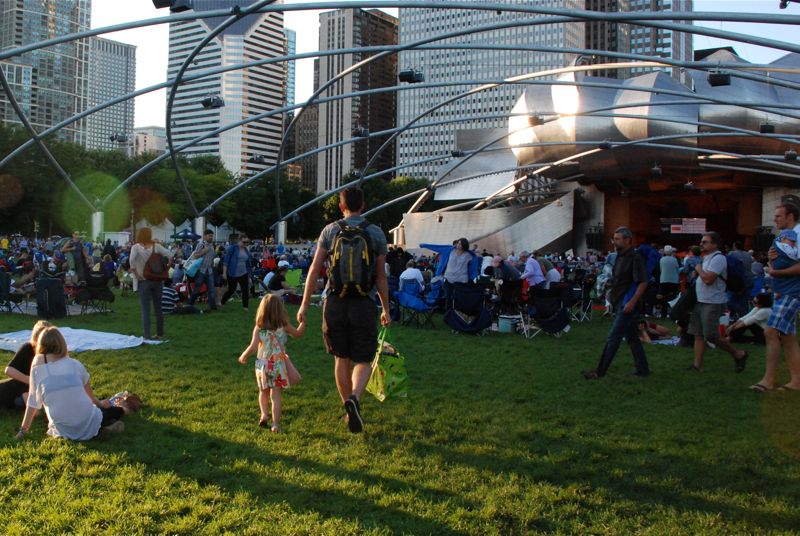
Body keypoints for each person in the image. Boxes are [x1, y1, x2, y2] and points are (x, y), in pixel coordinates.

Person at [297, 187, 390, 434]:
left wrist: (304, 304)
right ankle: (355, 399)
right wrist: (386, 309)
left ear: (341, 206)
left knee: (341, 358)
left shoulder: (330, 231)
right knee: (363, 359)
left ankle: (348, 411)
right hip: (364, 302)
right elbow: (381, 277)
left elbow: (315, 268)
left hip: (335, 302)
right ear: (363, 205)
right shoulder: (376, 233)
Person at [15, 327, 126, 440]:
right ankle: (115, 417)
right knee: (114, 412)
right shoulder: (75, 364)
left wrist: (23, 430)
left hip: (63, 428)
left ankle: (105, 426)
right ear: (62, 343)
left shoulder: (37, 368)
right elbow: (91, 398)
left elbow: (32, 402)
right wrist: (101, 404)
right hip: (87, 417)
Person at [582, 227, 650, 379]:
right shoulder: (619, 257)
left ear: (627, 240)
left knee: (613, 337)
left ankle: (600, 372)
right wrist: (609, 283)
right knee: (632, 338)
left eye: (618, 239)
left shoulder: (635, 257)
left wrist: (632, 302)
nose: (615, 242)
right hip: (619, 300)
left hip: (627, 303)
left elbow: (643, 282)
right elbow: (620, 278)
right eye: (614, 239)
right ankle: (643, 369)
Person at [237, 294, 305, 433]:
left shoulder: (259, 327)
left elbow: (253, 347)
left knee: (263, 392)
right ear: (280, 310)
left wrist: (244, 355)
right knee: (276, 395)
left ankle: (264, 415)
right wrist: (303, 323)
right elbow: (297, 334)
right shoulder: (283, 326)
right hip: (277, 364)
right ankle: (275, 424)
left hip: (262, 364)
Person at [686, 231, 748, 372]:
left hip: (713, 301)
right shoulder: (706, 258)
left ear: (714, 244)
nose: (701, 244)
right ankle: (697, 365)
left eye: (705, 242)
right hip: (701, 300)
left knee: (711, 335)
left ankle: (738, 354)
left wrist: (698, 269)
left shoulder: (718, 258)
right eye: (701, 241)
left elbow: (708, 279)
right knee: (698, 334)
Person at [755, 203, 800, 391]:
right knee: (788, 336)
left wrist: (776, 272)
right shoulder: (786, 236)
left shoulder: (798, 235)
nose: (775, 219)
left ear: (790, 216)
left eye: (779, 216)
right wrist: (772, 259)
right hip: (783, 290)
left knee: (771, 331)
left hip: (792, 291)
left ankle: (768, 380)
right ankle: (796, 382)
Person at [129, 227, 173, 340]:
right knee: (158, 308)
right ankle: (160, 334)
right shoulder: (156, 246)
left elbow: (131, 261)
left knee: (145, 309)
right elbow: (170, 255)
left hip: (143, 280)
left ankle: (147, 335)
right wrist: (167, 268)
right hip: (157, 280)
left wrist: (136, 274)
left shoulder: (136, 247)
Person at [0, 320, 52, 410]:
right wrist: (30, 381)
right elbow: (9, 370)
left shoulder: (52, 352)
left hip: (28, 387)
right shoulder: (28, 348)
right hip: (21, 385)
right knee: (20, 401)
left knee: (19, 402)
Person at [187, 229, 218, 312]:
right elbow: (195, 256)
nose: (211, 237)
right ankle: (190, 304)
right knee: (197, 289)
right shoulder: (201, 244)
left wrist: (212, 265)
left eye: (212, 236)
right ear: (205, 236)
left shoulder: (212, 245)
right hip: (201, 270)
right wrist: (204, 251)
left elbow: (212, 257)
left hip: (209, 270)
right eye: (209, 236)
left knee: (211, 290)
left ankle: (213, 307)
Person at [221, 234, 253, 310]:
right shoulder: (232, 248)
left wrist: (249, 276)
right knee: (231, 290)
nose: (246, 244)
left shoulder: (246, 251)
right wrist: (224, 273)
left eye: (247, 242)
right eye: (244, 242)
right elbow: (226, 261)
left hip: (244, 273)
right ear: (239, 241)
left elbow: (248, 265)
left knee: (245, 290)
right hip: (232, 273)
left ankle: (245, 307)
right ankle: (222, 302)